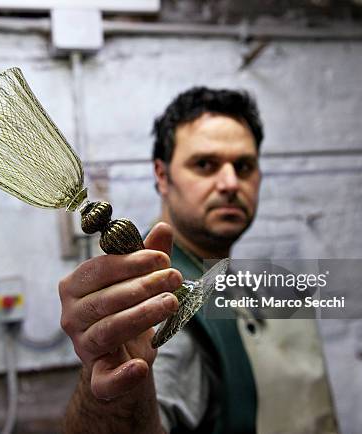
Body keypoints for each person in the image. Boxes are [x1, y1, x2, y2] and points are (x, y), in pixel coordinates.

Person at [59, 87, 338, 434]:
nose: (230, 182)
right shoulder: (155, 310)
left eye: (244, 166)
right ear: (162, 176)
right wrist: (116, 388)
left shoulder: (234, 281)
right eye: (205, 165)